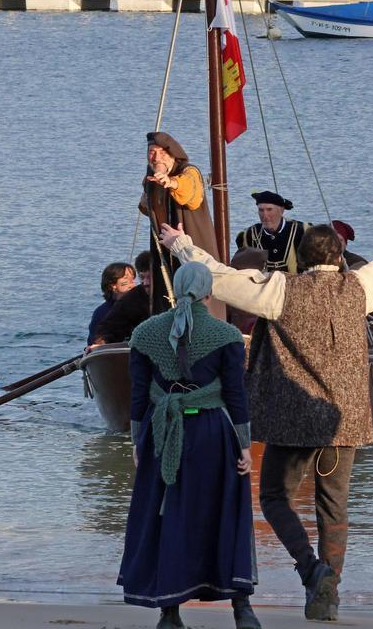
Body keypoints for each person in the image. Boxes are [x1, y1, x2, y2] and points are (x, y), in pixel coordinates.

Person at [159, 204, 373, 621]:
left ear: (300, 258)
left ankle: (311, 570)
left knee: (276, 499)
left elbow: (221, 278)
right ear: (338, 258)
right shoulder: (359, 289)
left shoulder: (279, 290)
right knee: (333, 509)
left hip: (291, 419)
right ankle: (327, 594)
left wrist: (181, 245)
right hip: (344, 419)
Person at [117, 262, 259, 629]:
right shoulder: (225, 335)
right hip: (213, 432)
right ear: (209, 293)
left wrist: (137, 439)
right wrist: (244, 445)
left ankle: (170, 612)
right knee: (224, 513)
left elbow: (137, 396)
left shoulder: (144, 334)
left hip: (161, 431)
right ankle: (242, 609)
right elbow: (235, 396)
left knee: (168, 514)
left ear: (173, 292)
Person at [139, 131, 221, 315]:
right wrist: (148, 193)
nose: (157, 157)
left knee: (196, 288)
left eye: (162, 153)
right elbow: (146, 207)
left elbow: (189, 191)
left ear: (173, 154)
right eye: (152, 152)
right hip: (164, 249)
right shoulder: (151, 178)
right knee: (165, 292)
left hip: (191, 245)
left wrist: (170, 182)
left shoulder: (188, 172)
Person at [234, 191, 307, 274]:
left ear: (281, 211)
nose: (265, 215)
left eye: (269, 210)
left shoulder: (303, 231)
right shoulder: (247, 236)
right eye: (261, 210)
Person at [91, 250, 153, 347]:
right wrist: (101, 343)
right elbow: (109, 327)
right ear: (113, 286)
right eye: (142, 277)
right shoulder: (131, 300)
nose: (146, 282)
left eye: (150, 277)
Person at [89, 261, 136, 345]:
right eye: (126, 281)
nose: (131, 285)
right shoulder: (102, 312)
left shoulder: (141, 307)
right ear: (113, 285)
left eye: (132, 280)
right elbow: (93, 343)